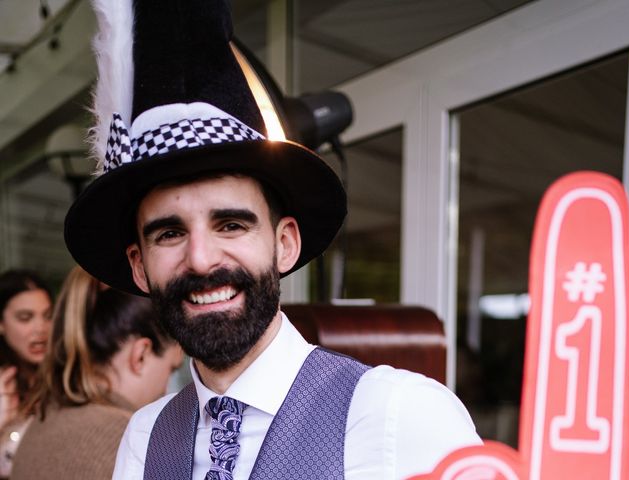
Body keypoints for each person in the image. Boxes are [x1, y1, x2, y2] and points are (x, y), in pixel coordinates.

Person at [63, 0, 482, 479]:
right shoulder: (145, 436)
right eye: (170, 233)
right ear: (138, 265)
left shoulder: (399, 416)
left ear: (285, 243)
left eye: (232, 225)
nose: (200, 259)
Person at [10, 266, 183, 479]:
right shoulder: (134, 438)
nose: (166, 388)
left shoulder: (43, 420)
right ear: (141, 354)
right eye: (171, 369)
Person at [0, 269, 52, 479]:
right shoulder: (4, 387)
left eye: (48, 316)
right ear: (1, 324)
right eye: (25, 318)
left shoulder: (66, 380)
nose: (40, 328)